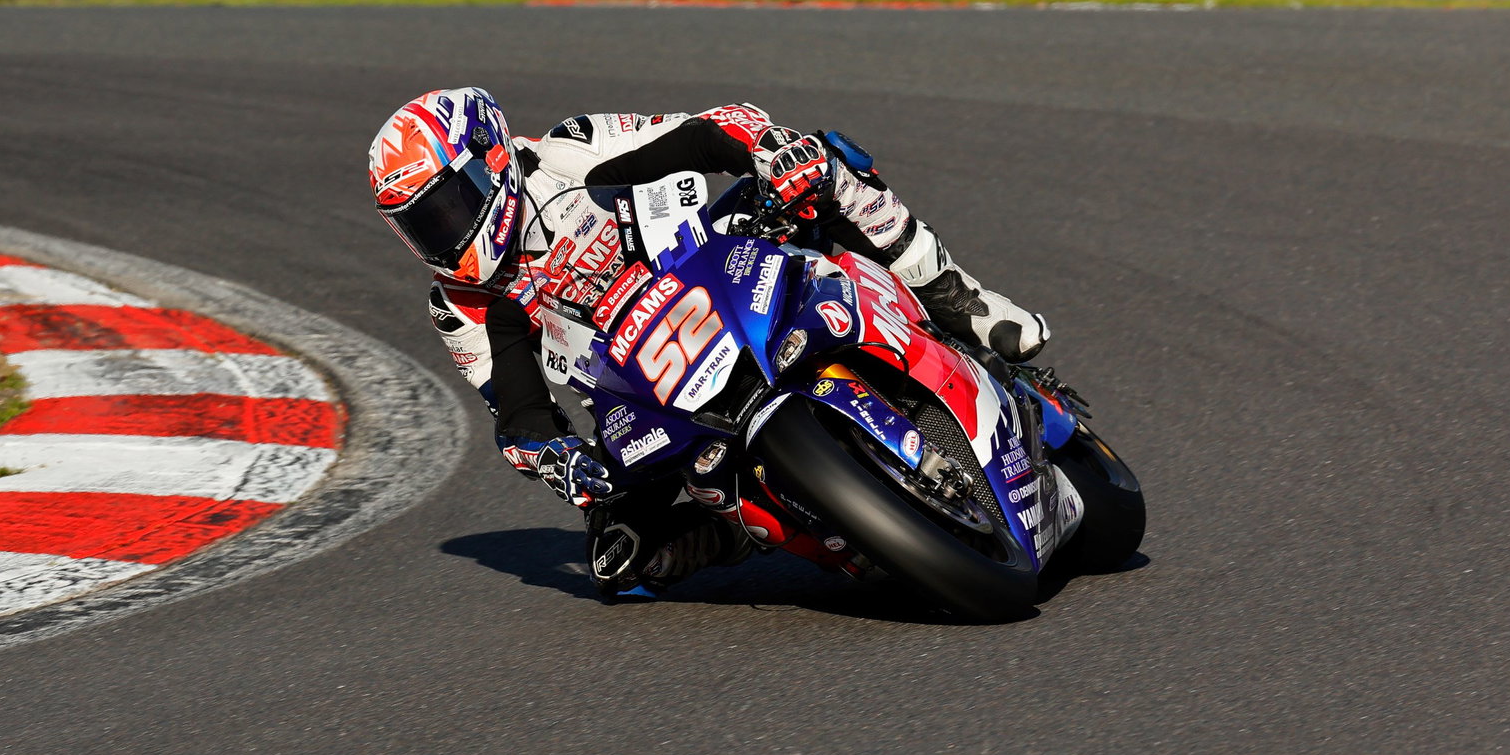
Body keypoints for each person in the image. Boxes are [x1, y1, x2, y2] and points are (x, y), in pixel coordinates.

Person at [368, 88, 1050, 595]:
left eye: (448, 207)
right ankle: (746, 527)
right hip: (648, 397)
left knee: (822, 164)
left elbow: (704, 132)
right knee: (620, 560)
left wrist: (764, 152)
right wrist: (556, 457)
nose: (444, 236)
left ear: (491, 160)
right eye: (420, 226)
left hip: (718, 274)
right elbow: (515, 407)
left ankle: (960, 302)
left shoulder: (567, 152)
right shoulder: (460, 306)